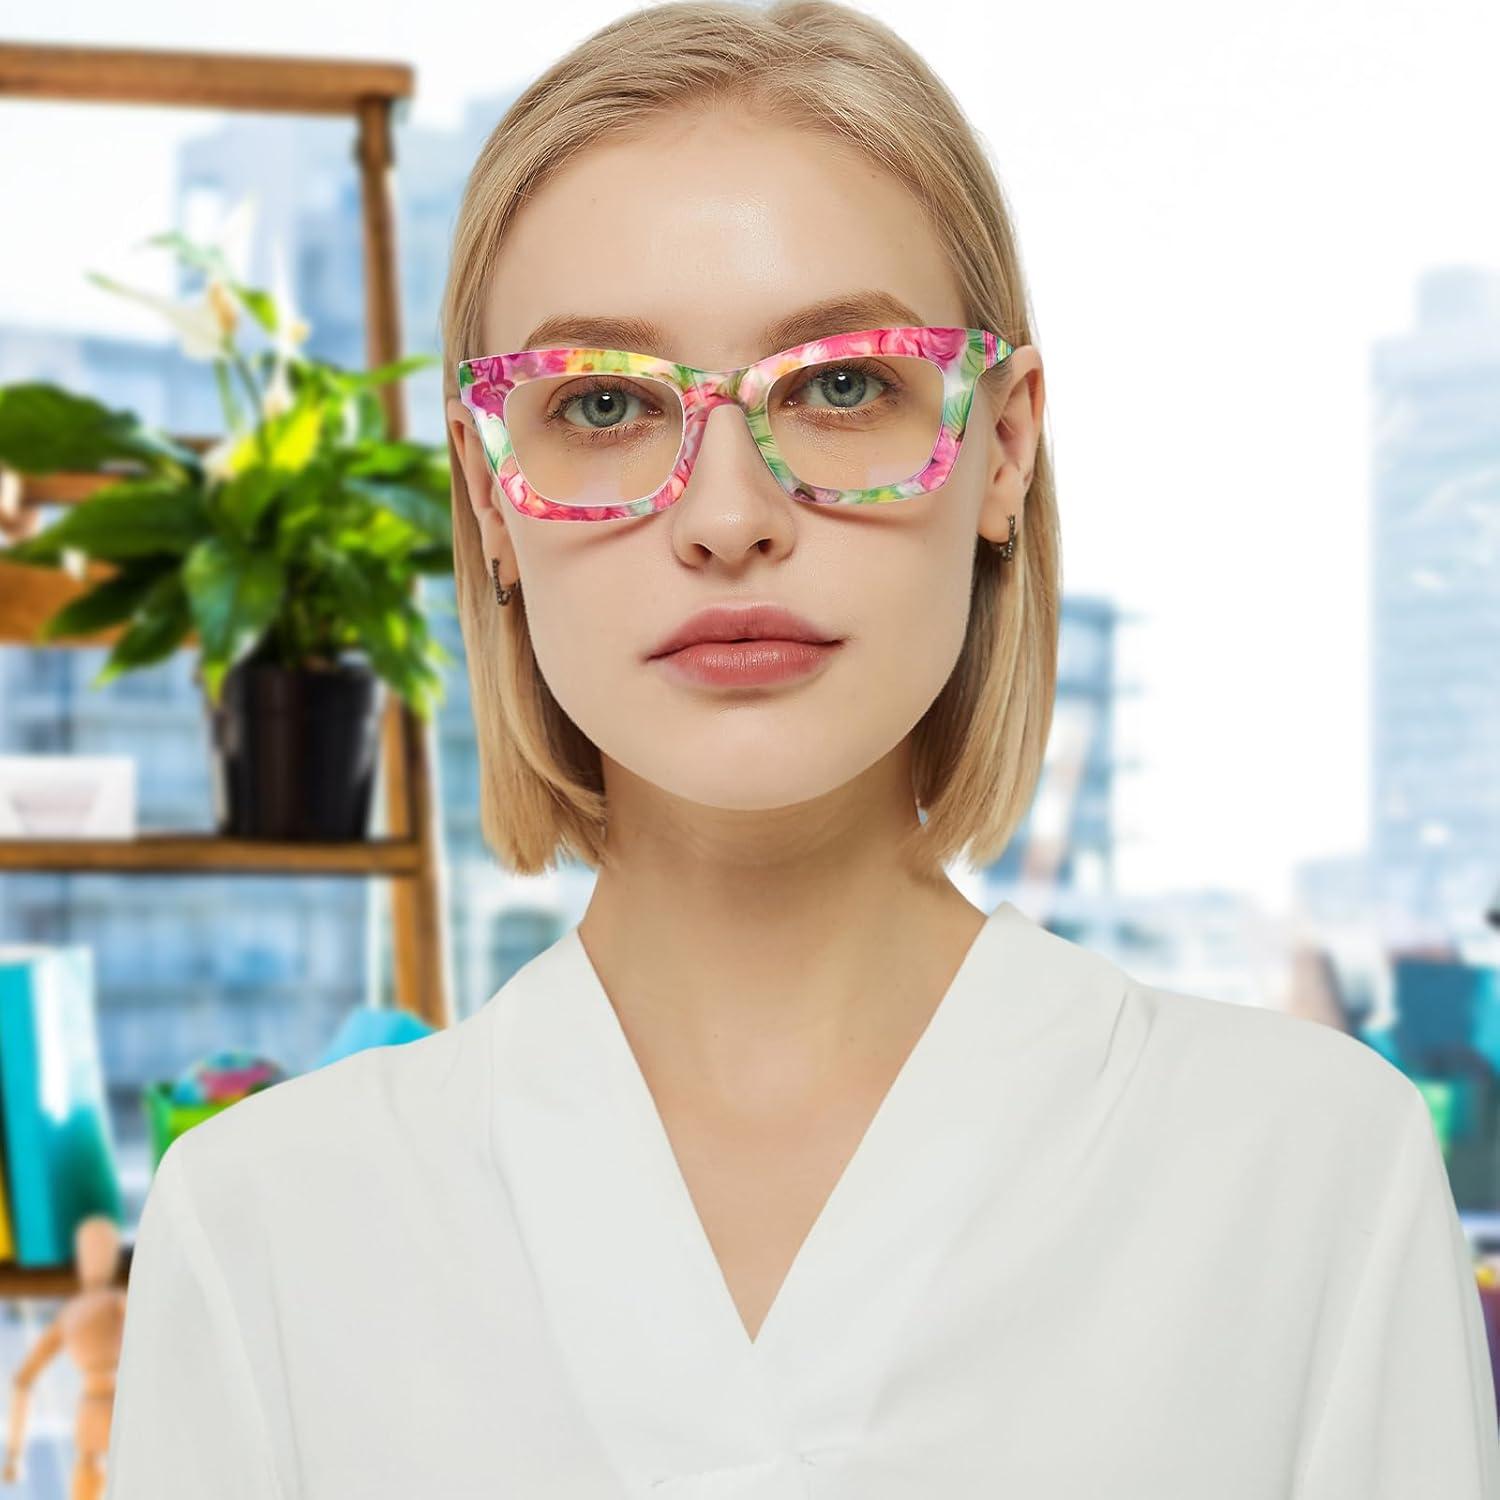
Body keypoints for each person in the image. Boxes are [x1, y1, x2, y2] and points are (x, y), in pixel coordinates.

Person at [102, 2, 1500, 1496]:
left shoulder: (1309, 1175)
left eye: (841, 385)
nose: (725, 515)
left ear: (1002, 451)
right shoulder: (264, 1226)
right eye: (603, 403)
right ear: (491, 496)